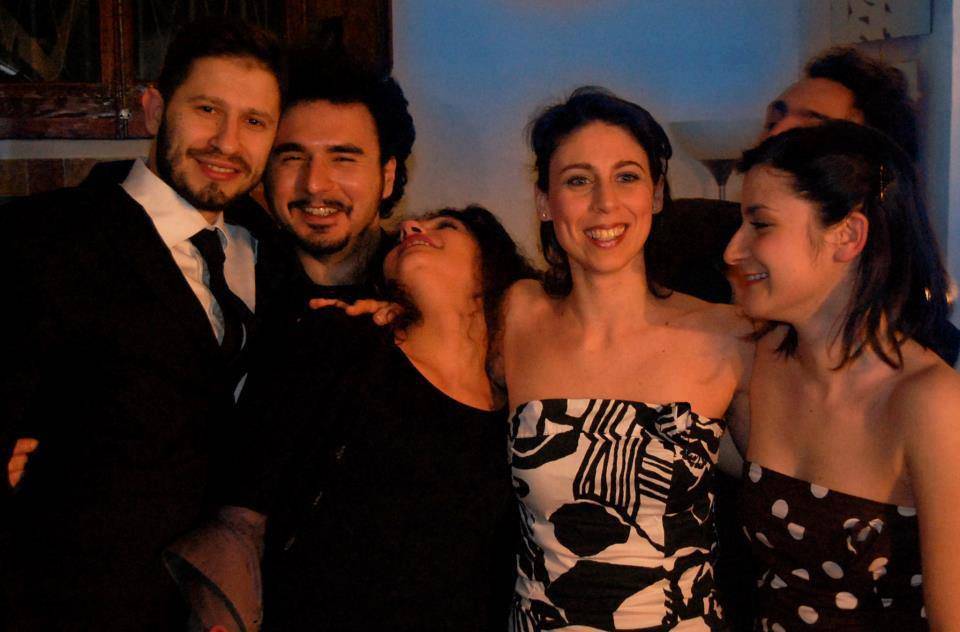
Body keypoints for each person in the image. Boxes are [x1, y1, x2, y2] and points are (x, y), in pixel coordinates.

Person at [0, 18, 282, 631]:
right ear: (155, 109)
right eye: (207, 109)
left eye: (255, 121)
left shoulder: (269, 251)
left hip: (216, 603)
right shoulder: (42, 239)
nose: (227, 142)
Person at [168, 205, 537, 631]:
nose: (410, 227)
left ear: (491, 269)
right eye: (407, 230)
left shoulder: (525, 408)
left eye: (447, 226)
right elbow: (243, 497)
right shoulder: (339, 339)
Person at [502, 87, 752, 630]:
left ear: (656, 194)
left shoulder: (728, 334)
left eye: (627, 177)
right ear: (544, 201)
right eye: (578, 180)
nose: (605, 203)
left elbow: (789, 485)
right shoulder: (518, 314)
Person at [724, 121, 960, 630]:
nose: (732, 250)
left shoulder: (930, 401)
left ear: (848, 235)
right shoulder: (754, 361)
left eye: (760, 225)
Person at [256, 60, 415, 318]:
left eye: (343, 160)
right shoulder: (231, 279)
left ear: (388, 176)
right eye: (293, 158)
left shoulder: (421, 295)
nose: (314, 184)